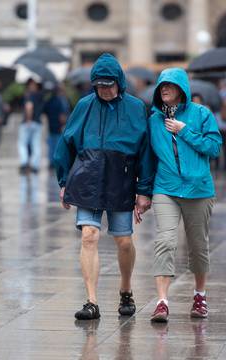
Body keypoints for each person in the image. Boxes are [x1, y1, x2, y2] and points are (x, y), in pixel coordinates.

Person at [54, 53, 154, 320]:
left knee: (123, 241)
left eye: (109, 84)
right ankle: (91, 301)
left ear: (119, 82)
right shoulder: (85, 106)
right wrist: (64, 181)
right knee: (89, 235)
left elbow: (145, 151)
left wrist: (144, 190)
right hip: (88, 178)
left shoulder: (135, 107)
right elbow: (66, 142)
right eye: (99, 85)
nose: (104, 90)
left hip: (121, 179)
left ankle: (126, 289)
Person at [147, 68, 221, 322]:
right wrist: (142, 193)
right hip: (165, 188)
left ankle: (200, 295)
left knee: (198, 246)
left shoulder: (201, 114)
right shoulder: (154, 120)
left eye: (169, 85)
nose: (164, 89)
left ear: (181, 89)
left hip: (198, 190)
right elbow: (148, 158)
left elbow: (214, 147)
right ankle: (162, 302)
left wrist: (183, 130)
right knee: (165, 241)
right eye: (161, 86)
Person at [19, 79, 45, 174]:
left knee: (23, 144)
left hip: (28, 122)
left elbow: (29, 106)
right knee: (36, 144)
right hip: (37, 123)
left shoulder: (29, 95)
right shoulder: (40, 95)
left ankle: (24, 163)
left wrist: (28, 119)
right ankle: (35, 165)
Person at [43, 84, 70, 170]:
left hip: (51, 127)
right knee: (58, 146)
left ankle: (51, 163)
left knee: (51, 146)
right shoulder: (61, 101)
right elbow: (62, 116)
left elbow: (44, 111)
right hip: (59, 127)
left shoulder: (49, 101)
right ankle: (57, 163)